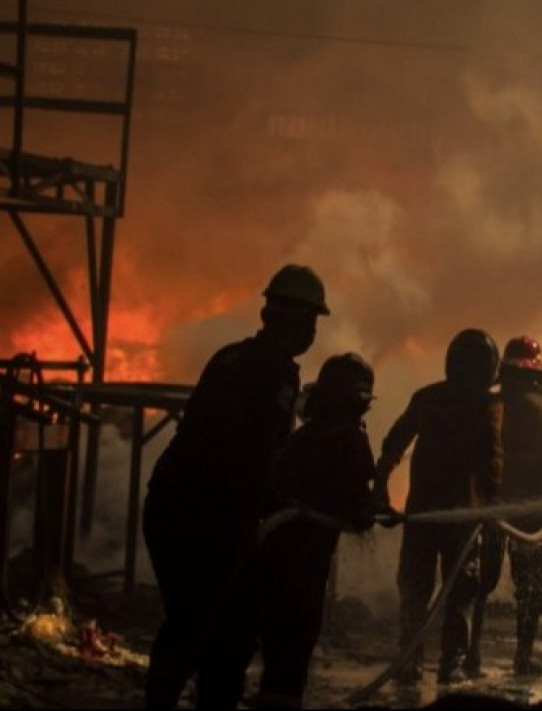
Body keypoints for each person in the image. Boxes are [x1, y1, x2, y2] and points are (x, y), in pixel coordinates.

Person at [142, 264, 330, 708]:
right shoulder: (278, 373)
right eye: (311, 319)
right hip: (210, 516)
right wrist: (273, 512)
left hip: (167, 506)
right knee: (224, 630)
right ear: (295, 319)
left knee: (188, 622)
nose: (311, 330)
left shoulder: (229, 357)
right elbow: (257, 458)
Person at [373, 328, 503, 685]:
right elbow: (492, 462)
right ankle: (452, 665)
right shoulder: (488, 406)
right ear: (489, 368)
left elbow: (394, 443)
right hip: (463, 516)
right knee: (460, 591)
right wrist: (491, 510)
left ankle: (409, 661)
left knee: (415, 590)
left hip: (423, 514)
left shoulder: (427, 398)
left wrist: (381, 484)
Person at [256, 353, 377, 708]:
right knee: (296, 638)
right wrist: (368, 514)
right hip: (305, 560)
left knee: (276, 638)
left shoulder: (304, 436)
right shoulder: (351, 441)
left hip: (274, 552)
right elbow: (356, 507)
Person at [470, 335, 542, 678]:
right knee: (530, 584)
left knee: (477, 581)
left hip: (486, 505)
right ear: (538, 374)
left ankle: (469, 652)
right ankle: (522, 656)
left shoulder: (484, 407)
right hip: (533, 507)